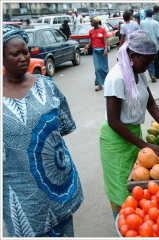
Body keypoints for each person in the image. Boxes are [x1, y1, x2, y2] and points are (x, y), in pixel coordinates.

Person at [2, 24, 83, 237]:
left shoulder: (46, 85)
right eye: (14, 54)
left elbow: (64, 127)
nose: (22, 57)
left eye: (25, 52)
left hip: (58, 187)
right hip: (21, 198)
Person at [99, 30, 159, 219]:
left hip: (133, 135)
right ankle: (122, 223)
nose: (147, 67)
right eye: (145, 63)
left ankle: (136, 221)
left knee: (137, 182)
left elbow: (151, 103)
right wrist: (147, 146)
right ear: (132, 55)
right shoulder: (117, 78)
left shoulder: (138, 73)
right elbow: (114, 122)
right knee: (121, 186)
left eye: (149, 63)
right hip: (117, 138)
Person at [140, 9, 159, 83]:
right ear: (152, 14)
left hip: (146, 45)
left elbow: (141, 34)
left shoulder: (142, 23)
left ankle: (152, 75)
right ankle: (157, 74)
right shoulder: (155, 23)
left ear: (145, 14)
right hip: (155, 45)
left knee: (149, 60)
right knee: (157, 60)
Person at [84, 17, 109, 91]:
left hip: (102, 52)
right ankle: (99, 85)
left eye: (92, 21)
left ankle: (108, 82)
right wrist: (87, 46)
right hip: (95, 52)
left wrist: (105, 49)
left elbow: (105, 41)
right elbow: (91, 41)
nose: (91, 22)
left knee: (104, 69)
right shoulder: (91, 31)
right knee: (97, 69)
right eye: (90, 21)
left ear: (97, 22)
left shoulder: (103, 30)